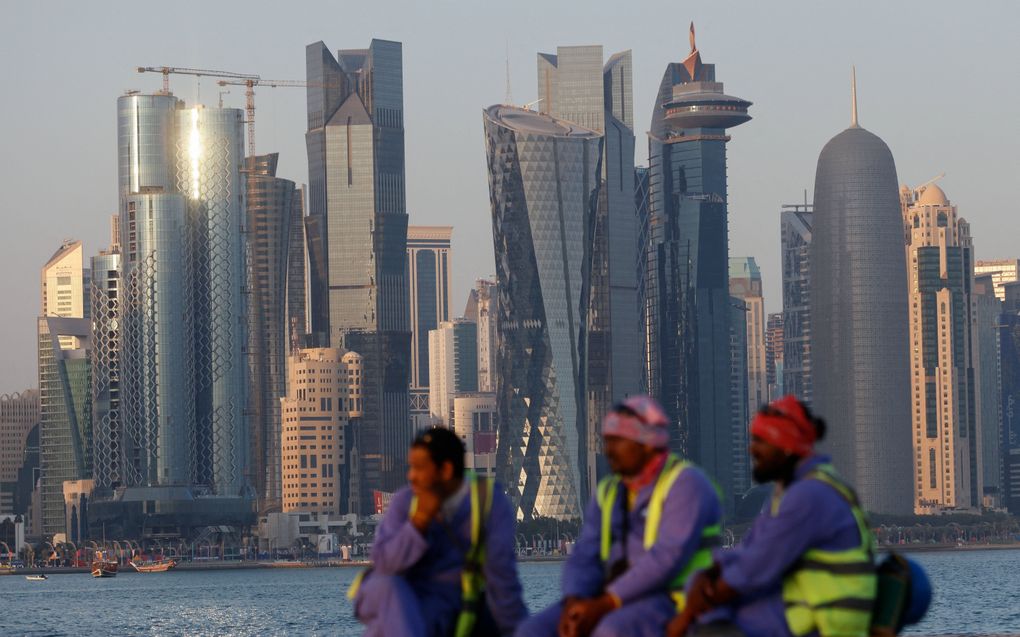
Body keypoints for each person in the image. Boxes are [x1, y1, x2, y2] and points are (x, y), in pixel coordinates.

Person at [667, 395, 876, 637]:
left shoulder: (808, 495)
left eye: (760, 440)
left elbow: (753, 569)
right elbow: (748, 549)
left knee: (708, 626)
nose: (751, 449)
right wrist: (708, 572)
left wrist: (687, 615)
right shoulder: (792, 490)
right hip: (806, 606)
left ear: (785, 446)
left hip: (824, 621)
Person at [516, 396, 722, 637]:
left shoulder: (686, 484)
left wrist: (605, 603)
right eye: (607, 441)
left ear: (645, 444)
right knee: (532, 630)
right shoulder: (609, 491)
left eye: (618, 441)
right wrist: (574, 602)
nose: (609, 450)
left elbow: (665, 559)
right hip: (608, 597)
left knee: (610, 631)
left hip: (670, 598)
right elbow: (584, 556)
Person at [351, 427, 527, 637]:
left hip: (450, 602)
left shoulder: (488, 503)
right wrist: (418, 523)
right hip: (398, 595)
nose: (411, 476)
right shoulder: (405, 501)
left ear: (445, 470)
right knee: (389, 587)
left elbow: (502, 578)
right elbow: (383, 564)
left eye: (419, 468)